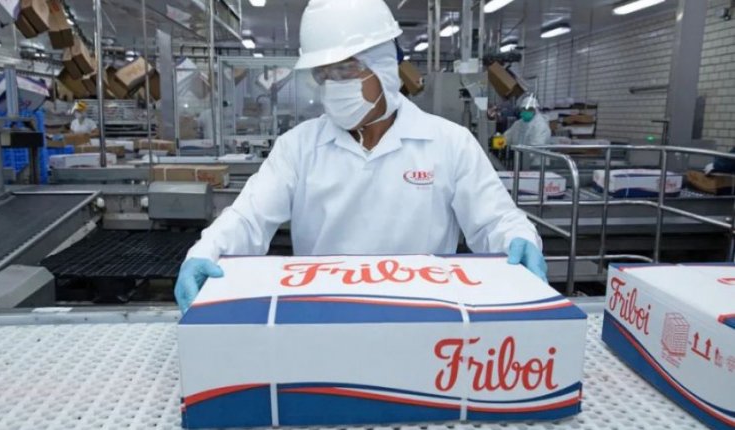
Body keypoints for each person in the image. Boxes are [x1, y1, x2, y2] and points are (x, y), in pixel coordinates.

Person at [174, 0, 547, 313]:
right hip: (321, 315)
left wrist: (519, 239)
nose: (333, 84)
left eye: (346, 69)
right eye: (324, 74)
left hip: (424, 318)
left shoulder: (449, 143)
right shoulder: (298, 147)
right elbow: (248, 217)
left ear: (383, 67)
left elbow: (494, 220)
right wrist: (207, 251)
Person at [504, 94, 551, 166]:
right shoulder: (518, 124)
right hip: (520, 163)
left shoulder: (540, 126)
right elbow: (507, 137)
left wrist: (520, 157)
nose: (526, 111)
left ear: (535, 110)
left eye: (529, 109)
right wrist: (497, 141)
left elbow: (535, 148)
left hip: (537, 166)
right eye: (524, 109)